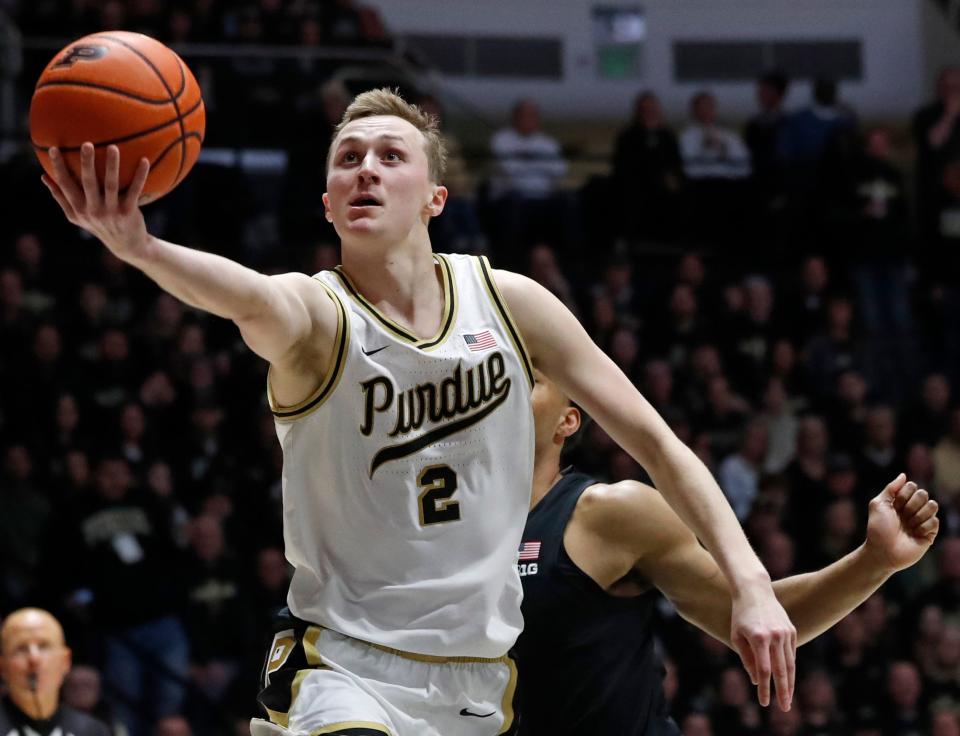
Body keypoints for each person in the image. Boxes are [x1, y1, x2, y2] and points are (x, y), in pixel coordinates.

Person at [42, 88, 796, 736]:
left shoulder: (512, 304)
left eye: (390, 156)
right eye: (348, 158)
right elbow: (246, 294)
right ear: (329, 203)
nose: (366, 166)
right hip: (341, 664)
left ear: (436, 197)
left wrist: (753, 585)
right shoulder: (318, 315)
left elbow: (658, 446)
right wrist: (141, 247)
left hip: (474, 682)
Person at [517, 374, 940, 735]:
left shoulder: (611, 512)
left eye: (531, 378)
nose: (508, 384)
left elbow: (756, 616)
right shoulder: (460, 532)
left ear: (568, 420)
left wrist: (874, 560)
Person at [0, 607, 111, 736]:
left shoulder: (92, 730)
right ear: (2, 667)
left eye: (43, 646)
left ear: (65, 661)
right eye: (21, 648)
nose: (34, 658)